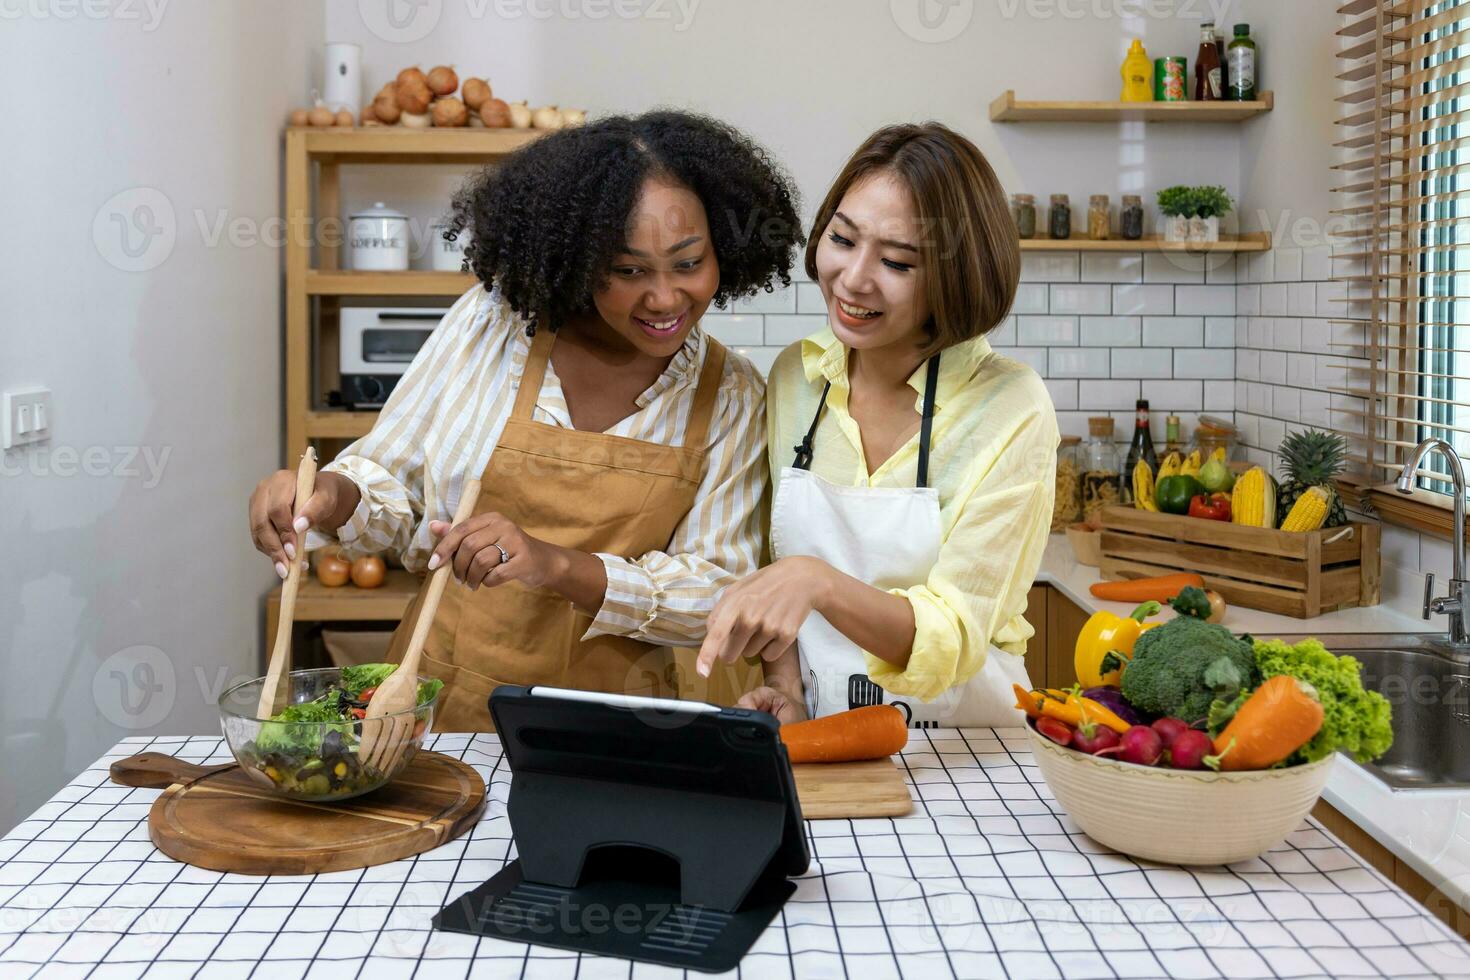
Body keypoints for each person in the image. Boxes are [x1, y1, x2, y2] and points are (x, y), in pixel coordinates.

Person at [249, 111, 801, 730]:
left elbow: (717, 593)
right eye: (628, 271)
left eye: (688, 263)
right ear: (580, 258)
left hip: (623, 724)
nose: (666, 298)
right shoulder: (494, 324)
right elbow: (393, 485)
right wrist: (330, 497)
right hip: (443, 701)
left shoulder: (729, 393)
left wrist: (555, 564)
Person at [696, 122, 1058, 728]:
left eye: (896, 261)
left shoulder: (1010, 406)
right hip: (823, 733)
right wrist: (785, 685)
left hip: (962, 754)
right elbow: (774, 565)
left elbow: (956, 631)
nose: (854, 279)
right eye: (842, 239)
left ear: (957, 276)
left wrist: (819, 582)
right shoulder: (798, 377)